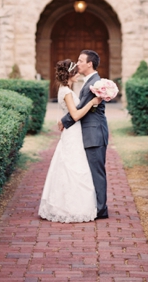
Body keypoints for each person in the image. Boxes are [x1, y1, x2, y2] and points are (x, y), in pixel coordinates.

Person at [39, 59, 101, 223]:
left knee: (71, 166)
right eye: (76, 72)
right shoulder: (66, 91)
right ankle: (69, 207)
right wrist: (92, 103)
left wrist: (63, 119)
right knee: (73, 167)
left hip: (73, 132)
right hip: (73, 133)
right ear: (70, 74)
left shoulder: (65, 89)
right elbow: (76, 115)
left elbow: (70, 113)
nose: (78, 74)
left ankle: (71, 204)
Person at [58, 50, 110, 219]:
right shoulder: (88, 81)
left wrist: (64, 120)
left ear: (90, 64)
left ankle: (101, 210)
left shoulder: (96, 83)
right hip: (85, 132)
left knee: (96, 171)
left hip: (94, 133)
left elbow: (81, 108)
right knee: (89, 171)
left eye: (80, 61)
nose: (77, 63)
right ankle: (94, 205)